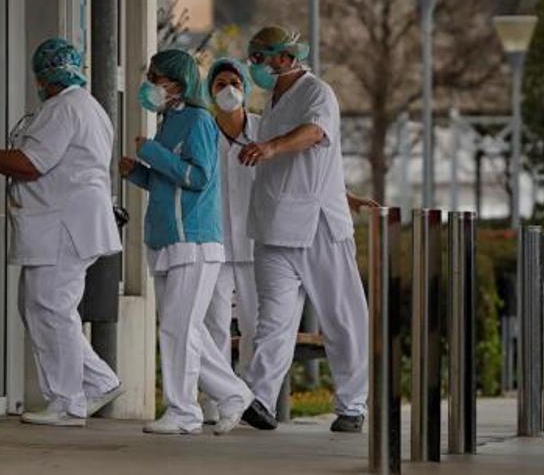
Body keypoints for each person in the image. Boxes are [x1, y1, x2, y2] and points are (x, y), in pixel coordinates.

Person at [0, 38, 122, 428]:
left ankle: (67, 402)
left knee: (50, 307)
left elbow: (32, 163)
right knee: (40, 306)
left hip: (64, 223)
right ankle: (97, 381)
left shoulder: (64, 108)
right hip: (67, 222)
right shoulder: (87, 106)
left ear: (46, 77)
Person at [236, 26, 376, 434]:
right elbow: (313, 167)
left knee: (342, 318)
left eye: (259, 59)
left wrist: (271, 146)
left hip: (318, 227)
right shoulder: (273, 98)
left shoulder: (318, 93)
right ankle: (260, 399)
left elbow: (316, 135)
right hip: (273, 227)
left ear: (283, 58)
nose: (255, 67)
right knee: (274, 321)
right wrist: (347, 193)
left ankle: (352, 405)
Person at [120, 49, 252, 436]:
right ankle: (233, 394)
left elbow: (198, 178)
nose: (149, 84)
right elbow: (168, 182)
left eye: (155, 77)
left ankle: (184, 411)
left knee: (178, 329)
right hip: (165, 240)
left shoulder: (198, 120)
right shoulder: (169, 121)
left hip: (193, 240)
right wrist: (138, 173)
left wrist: (152, 153)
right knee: (184, 329)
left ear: (177, 83)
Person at [198, 58, 261, 424]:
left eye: (234, 81)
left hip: (255, 243)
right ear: (210, 91)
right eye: (220, 83)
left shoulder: (263, 129)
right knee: (215, 325)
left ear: (245, 88)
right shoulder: (204, 129)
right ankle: (215, 400)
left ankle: (252, 399)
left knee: (257, 326)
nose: (227, 89)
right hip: (216, 241)